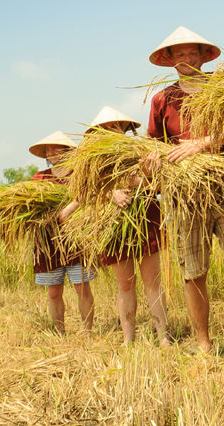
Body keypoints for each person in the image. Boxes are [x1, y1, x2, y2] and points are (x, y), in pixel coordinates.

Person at [146, 26, 224, 366]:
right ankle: (204, 343)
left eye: (192, 53)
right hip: (186, 197)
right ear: (169, 60)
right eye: (179, 54)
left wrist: (204, 143)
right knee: (194, 271)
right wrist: (152, 161)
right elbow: (155, 145)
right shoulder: (162, 100)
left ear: (203, 56)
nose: (186, 58)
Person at [87, 106, 170, 347]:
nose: (111, 130)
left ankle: (163, 335)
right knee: (125, 284)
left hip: (146, 217)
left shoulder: (143, 150)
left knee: (152, 281)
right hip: (113, 225)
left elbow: (160, 185)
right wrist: (110, 192)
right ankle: (128, 339)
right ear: (97, 132)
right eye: (105, 128)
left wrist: (135, 180)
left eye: (115, 126)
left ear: (125, 128)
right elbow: (87, 191)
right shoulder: (93, 160)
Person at [28, 131, 96, 335]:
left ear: (67, 151)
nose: (51, 152)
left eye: (56, 148)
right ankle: (60, 333)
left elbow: (90, 193)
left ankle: (87, 332)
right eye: (48, 150)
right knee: (54, 290)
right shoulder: (39, 178)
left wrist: (70, 209)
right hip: (47, 243)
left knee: (82, 287)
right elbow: (30, 205)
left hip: (76, 239)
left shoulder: (78, 175)